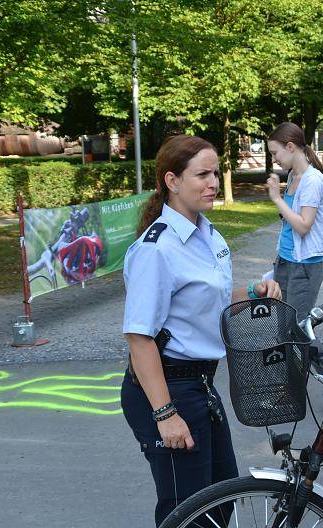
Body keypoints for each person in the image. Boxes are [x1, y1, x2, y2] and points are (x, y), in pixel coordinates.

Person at [120, 135, 282, 526]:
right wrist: (165, 414)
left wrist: (253, 291)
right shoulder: (156, 249)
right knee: (187, 512)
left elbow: (207, 298)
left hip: (200, 385)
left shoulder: (207, 233)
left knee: (219, 501)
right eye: (203, 174)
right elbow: (139, 337)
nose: (213, 182)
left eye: (215, 172)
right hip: (167, 388)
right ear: (172, 181)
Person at [266, 122, 323, 320]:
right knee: (282, 323)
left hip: (305, 263)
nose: (273, 159)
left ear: (290, 147)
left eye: (274, 153)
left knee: (296, 327)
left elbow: (304, 226)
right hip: (286, 259)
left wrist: (277, 198)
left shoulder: (312, 180)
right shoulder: (293, 175)